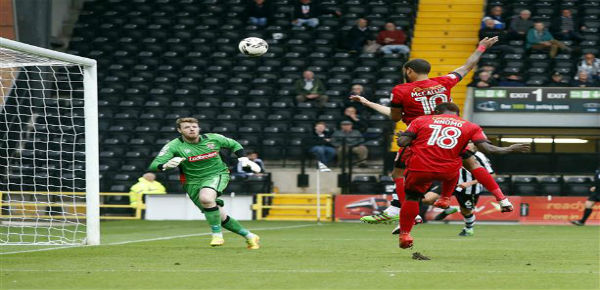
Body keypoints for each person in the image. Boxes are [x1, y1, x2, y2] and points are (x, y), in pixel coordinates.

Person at [351, 37, 515, 228]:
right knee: (471, 162)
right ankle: (502, 198)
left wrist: (368, 103)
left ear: (408, 71)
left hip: (420, 136)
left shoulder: (401, 90)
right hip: (449, 132)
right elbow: (467, 66)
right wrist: (481, 47)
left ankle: (399, 210)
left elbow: (395, 117)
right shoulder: (444, 82)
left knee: (398, 172)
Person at [395, 102, 529, 248]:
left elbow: (402, 143)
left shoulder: (421, 120)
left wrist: (405, 137)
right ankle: (447, 198)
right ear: (458, 114)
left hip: (420, 168)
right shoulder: (470, 126)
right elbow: (488, 149)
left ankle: (405, 234)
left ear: (436, 111)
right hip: (448, 171)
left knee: (412, 198)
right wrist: (509, 149)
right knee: (461, 163)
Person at [148, 117, 262, 249]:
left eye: (194, 127)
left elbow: (233, 144)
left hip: (217, 174)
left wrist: (243, 158)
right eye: (186, 127)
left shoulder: (213, 138)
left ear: (198, 128)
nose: (191, 129)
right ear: (179, 130)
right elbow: (154, 165)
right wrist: (165, 165)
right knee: (219, 215)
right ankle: (249, 236)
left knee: (206, 198)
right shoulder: (173, 146)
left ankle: (217, 235)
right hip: (192, 182)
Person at [432, 142, 495, 236]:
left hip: (469, 188)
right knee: (427, 198)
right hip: (452, 182)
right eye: (466, 142)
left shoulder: (479, 156)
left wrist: (469, 183)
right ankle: (448, 209)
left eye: (470, 142)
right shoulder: (454, 152)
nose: (467, 144)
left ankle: (468, 229)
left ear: (475, 145)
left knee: (465, 211)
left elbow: (492, 175)